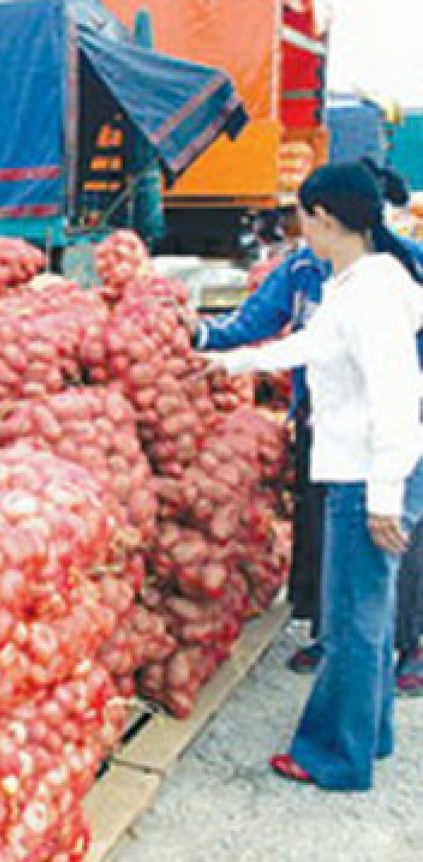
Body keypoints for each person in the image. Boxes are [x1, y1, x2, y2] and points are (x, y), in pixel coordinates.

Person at [202, 161, 423, 790]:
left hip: (368, 479)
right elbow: (308, 346)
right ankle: (369, 734)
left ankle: (334, 757)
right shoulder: (359, 281)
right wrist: (223, 364)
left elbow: (396, 399)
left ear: (325, 217)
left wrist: (384, 500)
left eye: (303, 217)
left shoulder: (375, 293)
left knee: (352, 620)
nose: (300, 230)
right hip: (363, 471)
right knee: (368, 617)